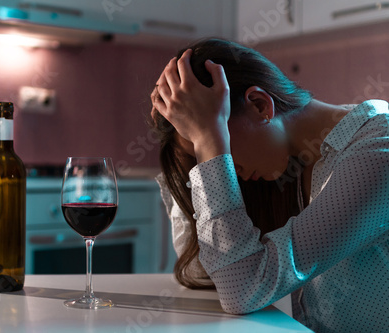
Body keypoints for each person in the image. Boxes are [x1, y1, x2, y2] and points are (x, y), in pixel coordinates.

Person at [149, 38, 389, 333]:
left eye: (217, 141)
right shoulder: (290, 165)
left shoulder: (377, 152)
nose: (224, 167)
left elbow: (243, 290)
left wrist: (211, 142)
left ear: (260, 105)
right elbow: (205, 273)